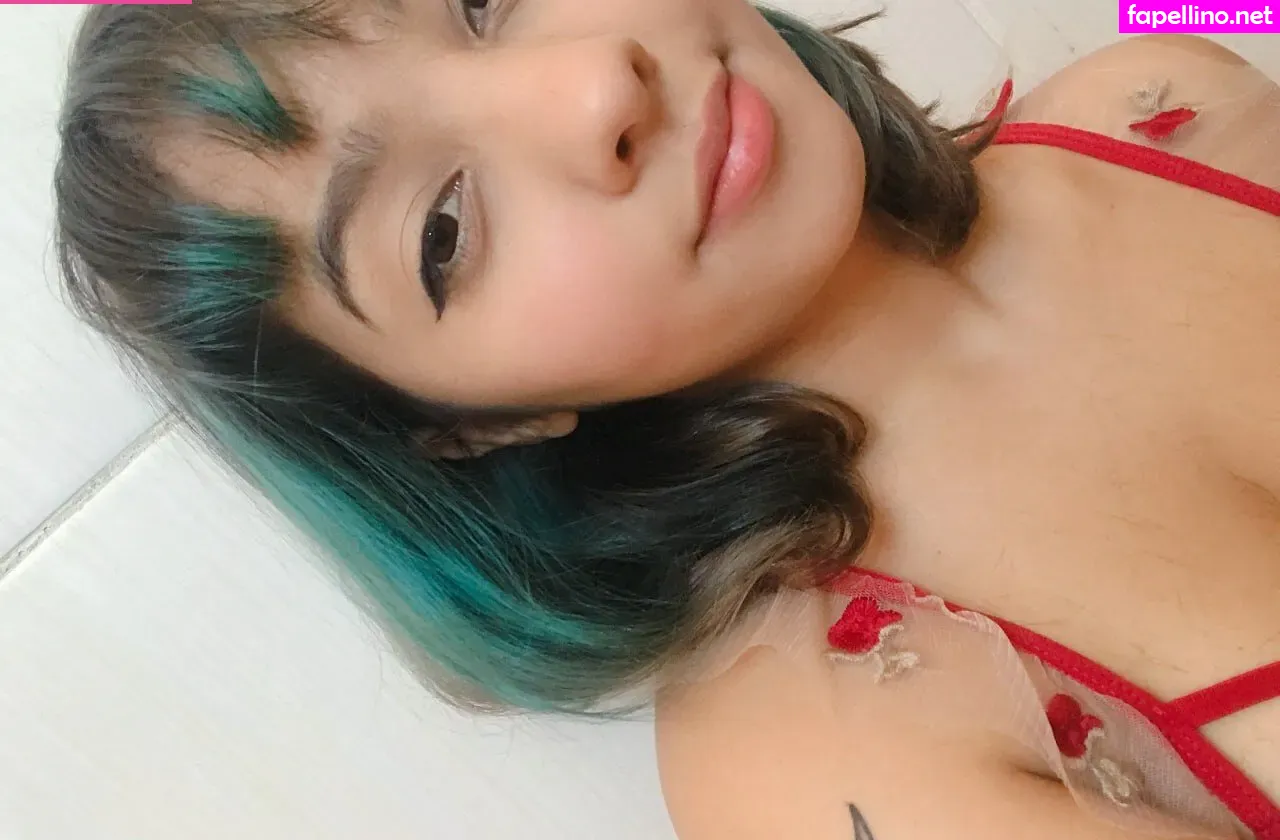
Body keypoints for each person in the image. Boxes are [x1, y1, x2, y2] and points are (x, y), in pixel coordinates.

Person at [52, 1, 1278, 836]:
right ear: (468, 427)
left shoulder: (1156, 82)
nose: (595, 85)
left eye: (485, 0)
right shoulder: (811, 756)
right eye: (443, 229)